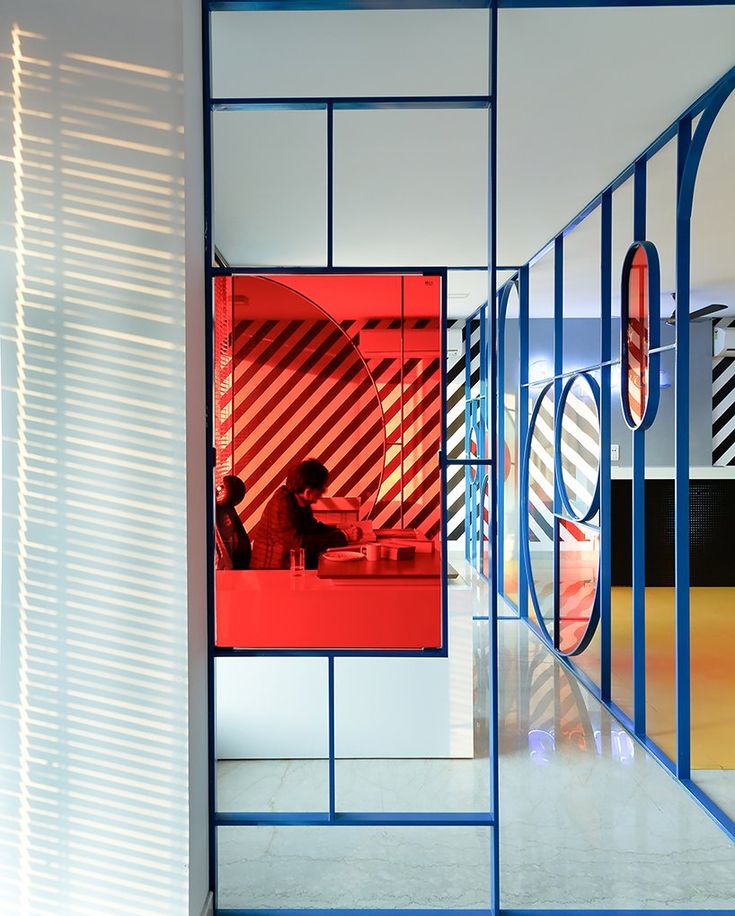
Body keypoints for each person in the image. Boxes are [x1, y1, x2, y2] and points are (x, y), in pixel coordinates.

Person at [249, 459, 359, 569]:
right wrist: (344, 535)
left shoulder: (296, 499)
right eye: (321, 489)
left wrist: (339, 530)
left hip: (288, 567)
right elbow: (299, 543)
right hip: (272, 573)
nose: (323, 493)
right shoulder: (282, 504)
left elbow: (312, 527)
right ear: (308, 491)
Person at [215, 474, 252, 570]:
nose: (218, 489)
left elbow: (226, 557)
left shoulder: (221, 515)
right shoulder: (227, 513)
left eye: (222, 487)